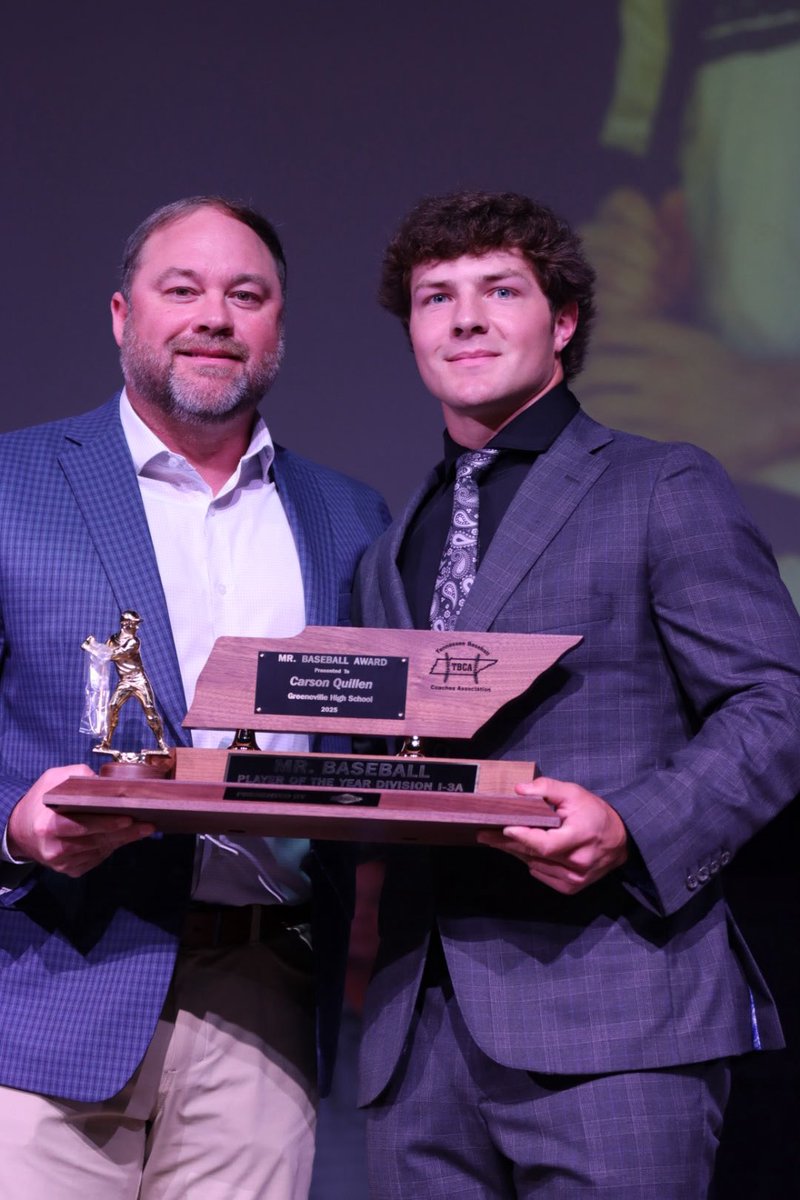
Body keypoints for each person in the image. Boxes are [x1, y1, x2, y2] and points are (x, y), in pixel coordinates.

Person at [353, 189, 800, 1198]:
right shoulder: (387, 549)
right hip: (414, 1038)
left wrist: (632, 825)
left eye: (497, 289)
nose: (463, 317)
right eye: (435, 297)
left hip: (615, 1019)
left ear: (560, 323)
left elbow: (778, 698)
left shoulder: (658, 485)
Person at [0, 195, 389, 1198]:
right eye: (183, 289)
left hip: (268, 994)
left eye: (245, 294)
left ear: (278, 330)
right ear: (123, 315)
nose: (214, 315)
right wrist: (12, 825)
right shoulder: (14, 482)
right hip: (48, 981)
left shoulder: (350, 517)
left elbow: (375, 746)